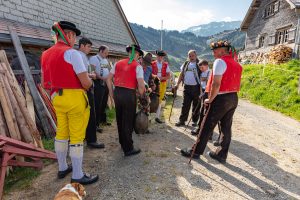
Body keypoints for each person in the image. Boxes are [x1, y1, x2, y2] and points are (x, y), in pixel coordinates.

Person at [41, 21, 98, 184]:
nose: (74, 40)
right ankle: (78, 174)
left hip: (56, 97)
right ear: (70, 35)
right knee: (76, 136)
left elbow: (45, 83)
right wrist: (91, 82)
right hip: (74, 98)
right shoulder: (72, 53)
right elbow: (86, 82)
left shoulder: (45, 54)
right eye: (74, 37)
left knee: (61, 133)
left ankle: (62, 167)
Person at [181, 40, 243, 163]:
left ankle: (196, 151)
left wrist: (211, 98)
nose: (214, 54)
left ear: (222, 51)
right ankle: (221, 154)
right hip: (233, 97)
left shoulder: (220, 61)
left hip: (220, 98)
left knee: (206, 125)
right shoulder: (237, 64)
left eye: (215, 51)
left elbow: (216, 83)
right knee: (226, 127)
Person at [106, 44, 145, 156]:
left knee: (120, 118)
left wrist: (111, 93)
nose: (138, 57)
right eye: (139, 55)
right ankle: (128, 148)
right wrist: (140, 95)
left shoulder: (118, 63)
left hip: (117, 92)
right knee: (128, 121)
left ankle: (122, 142)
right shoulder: (137, 66)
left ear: (129, 53)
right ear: (136, 54)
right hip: (129, 94)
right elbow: (141, 86)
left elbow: (108, 79)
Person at [78, 37, 105, 149]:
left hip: (88, 86)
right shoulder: (80, 56)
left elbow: (87, 71)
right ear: (82, 46)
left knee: (89, 114)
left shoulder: (84, 57)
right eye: (88, 46)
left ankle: (86, 137)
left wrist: (90, 74)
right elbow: (81, 73)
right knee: (91, 115)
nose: (90, 49)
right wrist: (92, 76)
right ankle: (91, 140)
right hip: (87, 87)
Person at [174, 50, 202, 127]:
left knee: (196, 105)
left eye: (192, 55)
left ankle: (195, 121)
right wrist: (177, 84)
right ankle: (182, 120)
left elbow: (204, 76)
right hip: (187, 87)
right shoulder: (186, 64)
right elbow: (181, 74)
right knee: (185, 105)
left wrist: (202, 89)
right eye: (189, 56)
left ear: (196, 55)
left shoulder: (200, 64)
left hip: (196, 88)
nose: (191, 57)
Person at [89, 46, 111, 130]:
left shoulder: (104, 60)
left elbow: (108, 70)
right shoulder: (94, 59)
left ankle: (103, 120)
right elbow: (91, 71)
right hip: (97, 83)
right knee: (97, 104)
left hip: (105, 83)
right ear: (101, 51)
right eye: (105, 52)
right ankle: (96, 124)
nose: (107, 54)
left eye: (107, 53)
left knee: (104, 103)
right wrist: (102, 78)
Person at [191, 60, 210, 135]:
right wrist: (201, 93)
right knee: (202, 110)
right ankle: (200, 128)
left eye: (202, 67)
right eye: (200, 68)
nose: (201, 69)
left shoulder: (210, 73)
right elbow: (201, 85)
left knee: (205, 111)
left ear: (206, 65)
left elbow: (209, 84)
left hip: (208, 92)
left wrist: (204, 93)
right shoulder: (202, 73)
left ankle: (204, 130)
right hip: (203, 92)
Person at [151, 50, 171, 123]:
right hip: (153, 84)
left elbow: (169, 75)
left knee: (159, 99)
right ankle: (150, 116)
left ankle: (157, 116)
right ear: (156, 56)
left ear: (163, 57)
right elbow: (150, 74)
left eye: (161, 56)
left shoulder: (166, 65)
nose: (160, 58)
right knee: (152, 98)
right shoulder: (152, 64)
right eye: (158, 56)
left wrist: (162, 78)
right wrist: (155, 78)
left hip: (162, 84)